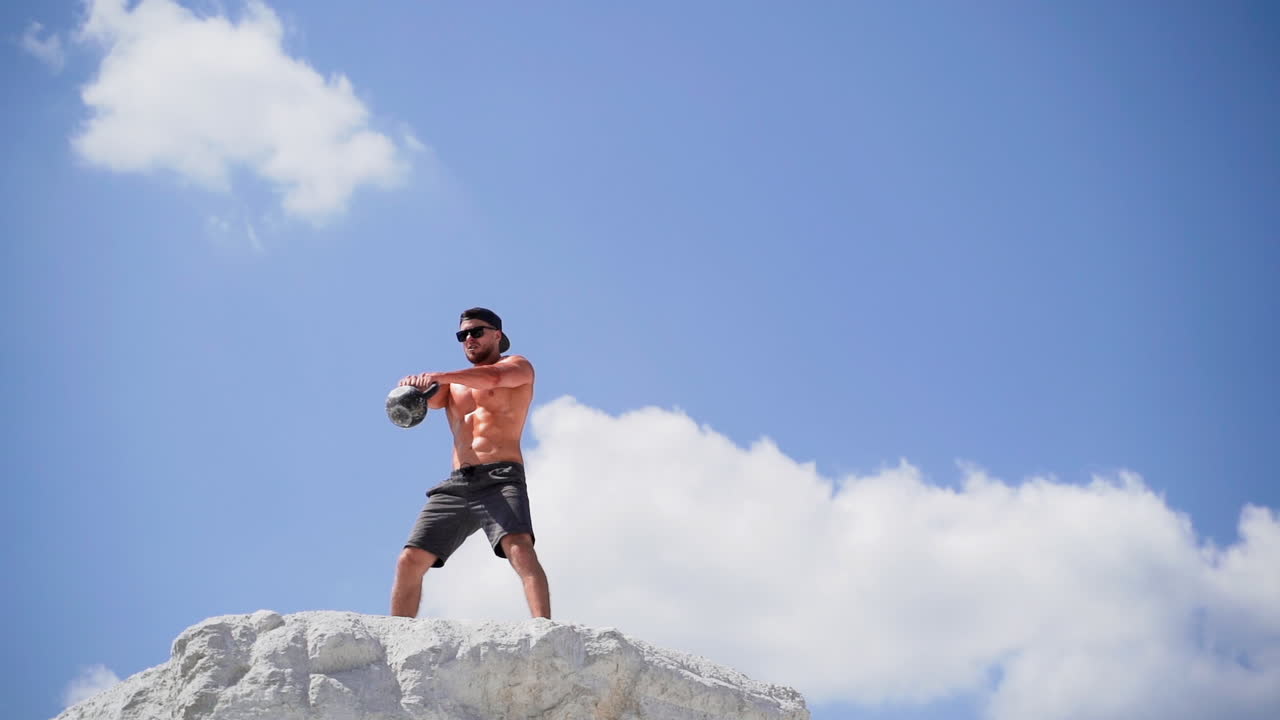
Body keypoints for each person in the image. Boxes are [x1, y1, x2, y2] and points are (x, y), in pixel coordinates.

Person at [389, 307, 550, 619]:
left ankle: (544, 628)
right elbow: (425, 402)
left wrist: (438, 376)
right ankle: (396, 636)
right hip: (459, 482)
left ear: (497, 335)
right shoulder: (452, 386)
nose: (469, 339)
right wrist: (412, 389)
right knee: (410, 559)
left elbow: (493, 378)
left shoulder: (518, 366)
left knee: (518, 547)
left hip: (501, 476)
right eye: (463, 335)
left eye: (476, 332)